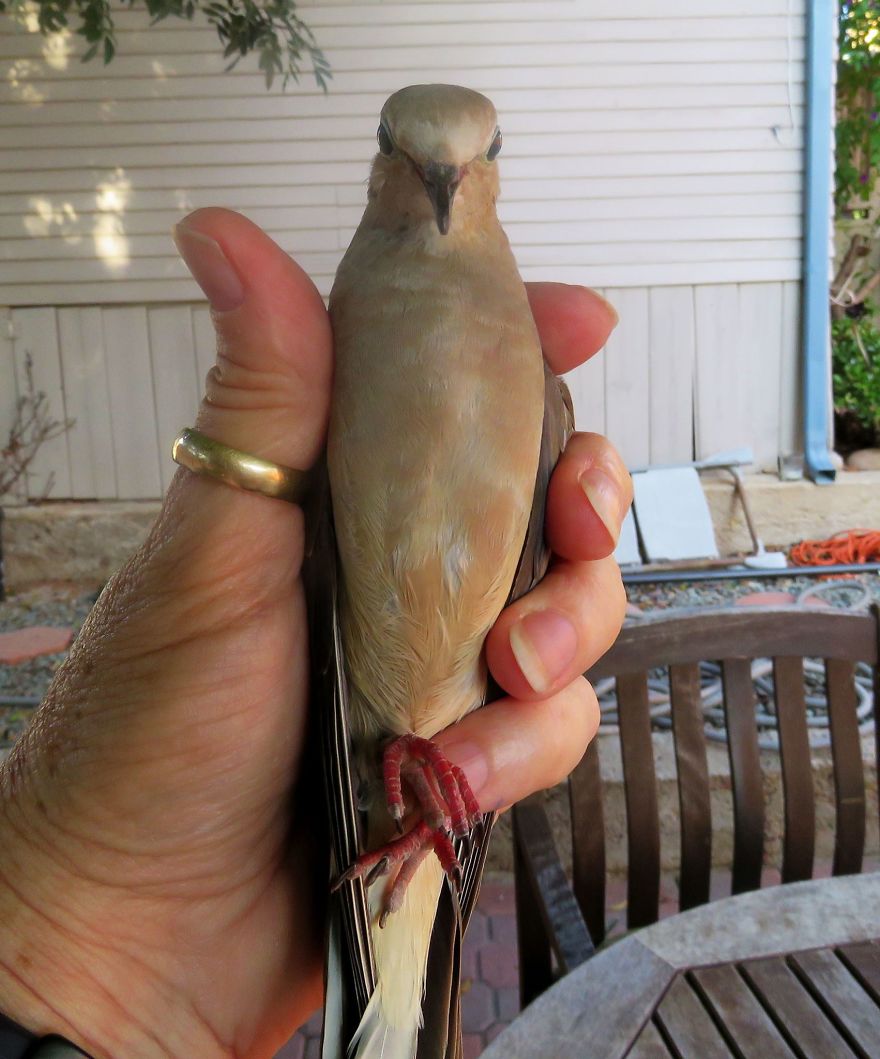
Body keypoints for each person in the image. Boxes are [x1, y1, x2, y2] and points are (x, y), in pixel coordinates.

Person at [0, 210, 632, 1059]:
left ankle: (395, 990)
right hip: (351, 769)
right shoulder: (350, 339)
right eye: (405, 157)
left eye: (475, 161)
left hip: (388, 788)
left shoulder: (526, 359)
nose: (441, 189)